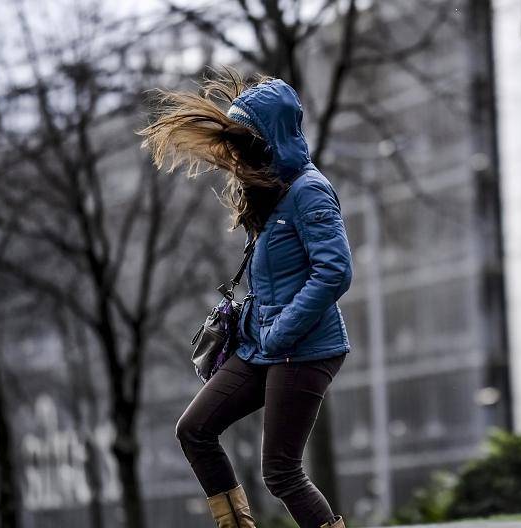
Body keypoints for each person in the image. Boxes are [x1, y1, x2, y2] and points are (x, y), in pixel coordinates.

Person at [139, 69, 352, 528]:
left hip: (305, 348)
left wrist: (281, 334)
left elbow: (335, 272)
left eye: (247, 142)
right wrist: (264, 335)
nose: (238, 154)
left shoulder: (308, 190)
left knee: (281, 472)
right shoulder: (272, 191)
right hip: (262, 344)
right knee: (195, 430)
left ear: (270, 137)